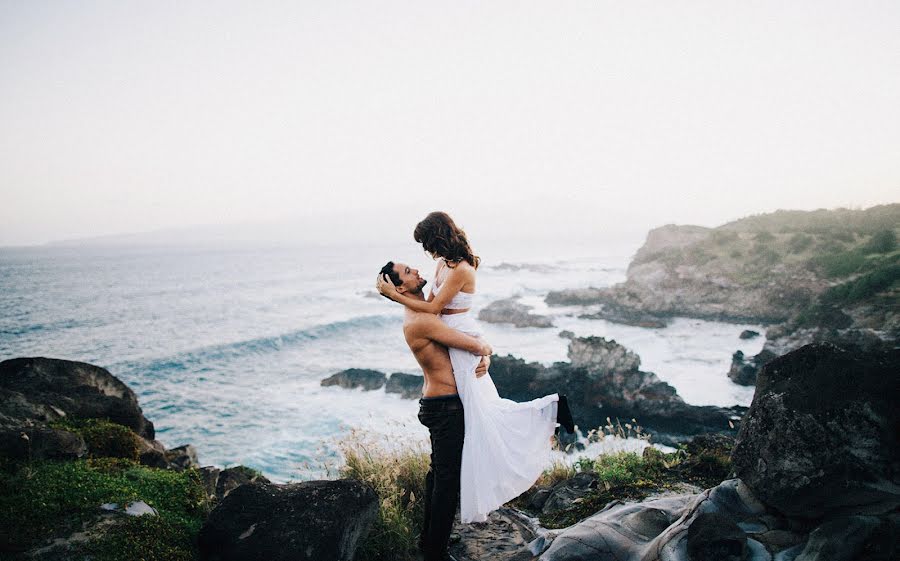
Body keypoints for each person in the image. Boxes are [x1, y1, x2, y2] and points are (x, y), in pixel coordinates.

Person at [377, 211, 575, 525]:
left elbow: (432, 309)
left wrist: (482, 347)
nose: (425, 253)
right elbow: (431, 309)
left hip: (460, 340)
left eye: (427, 243)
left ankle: (551, 408)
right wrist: (482, 346)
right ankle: (548, 410)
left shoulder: (460, 270)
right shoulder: (442, 265)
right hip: (458, 342)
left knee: (488, 414)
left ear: (438, 237)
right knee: (486, 415)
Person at [379, 260, 492, 561]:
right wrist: (486, 351)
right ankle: (435, 553)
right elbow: (475, 346)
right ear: (400, 287)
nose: (416, 270)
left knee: (438, 477)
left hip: (439, 404)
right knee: (447, 481)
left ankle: (430, 543)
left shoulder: (422, 312)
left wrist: (483, 354)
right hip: (444, 407)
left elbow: (467, 344)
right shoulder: (421, 320)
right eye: (407, 272)